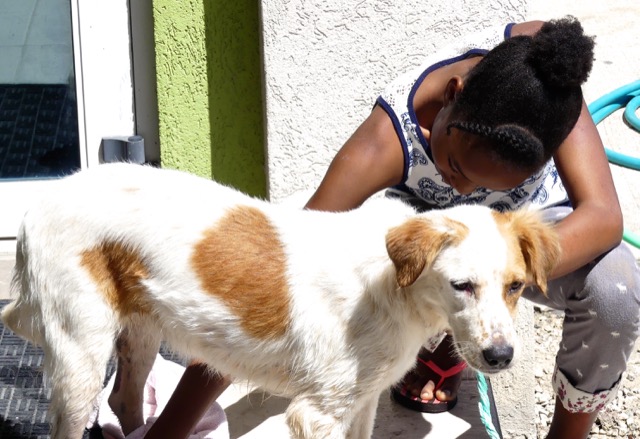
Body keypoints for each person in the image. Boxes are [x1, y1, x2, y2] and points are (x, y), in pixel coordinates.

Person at [143, 17, 640, 439]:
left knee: (618, 292)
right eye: (454, 168)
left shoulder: (547, 86)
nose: (466, 193)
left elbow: (604, 219)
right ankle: (437, 336)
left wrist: (498, 278)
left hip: (522, 237)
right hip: (432, 248)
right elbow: (286, 261)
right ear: (452, 97)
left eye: (499, 182)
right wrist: (173, 426)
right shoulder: (387, 139)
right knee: (421, 270)